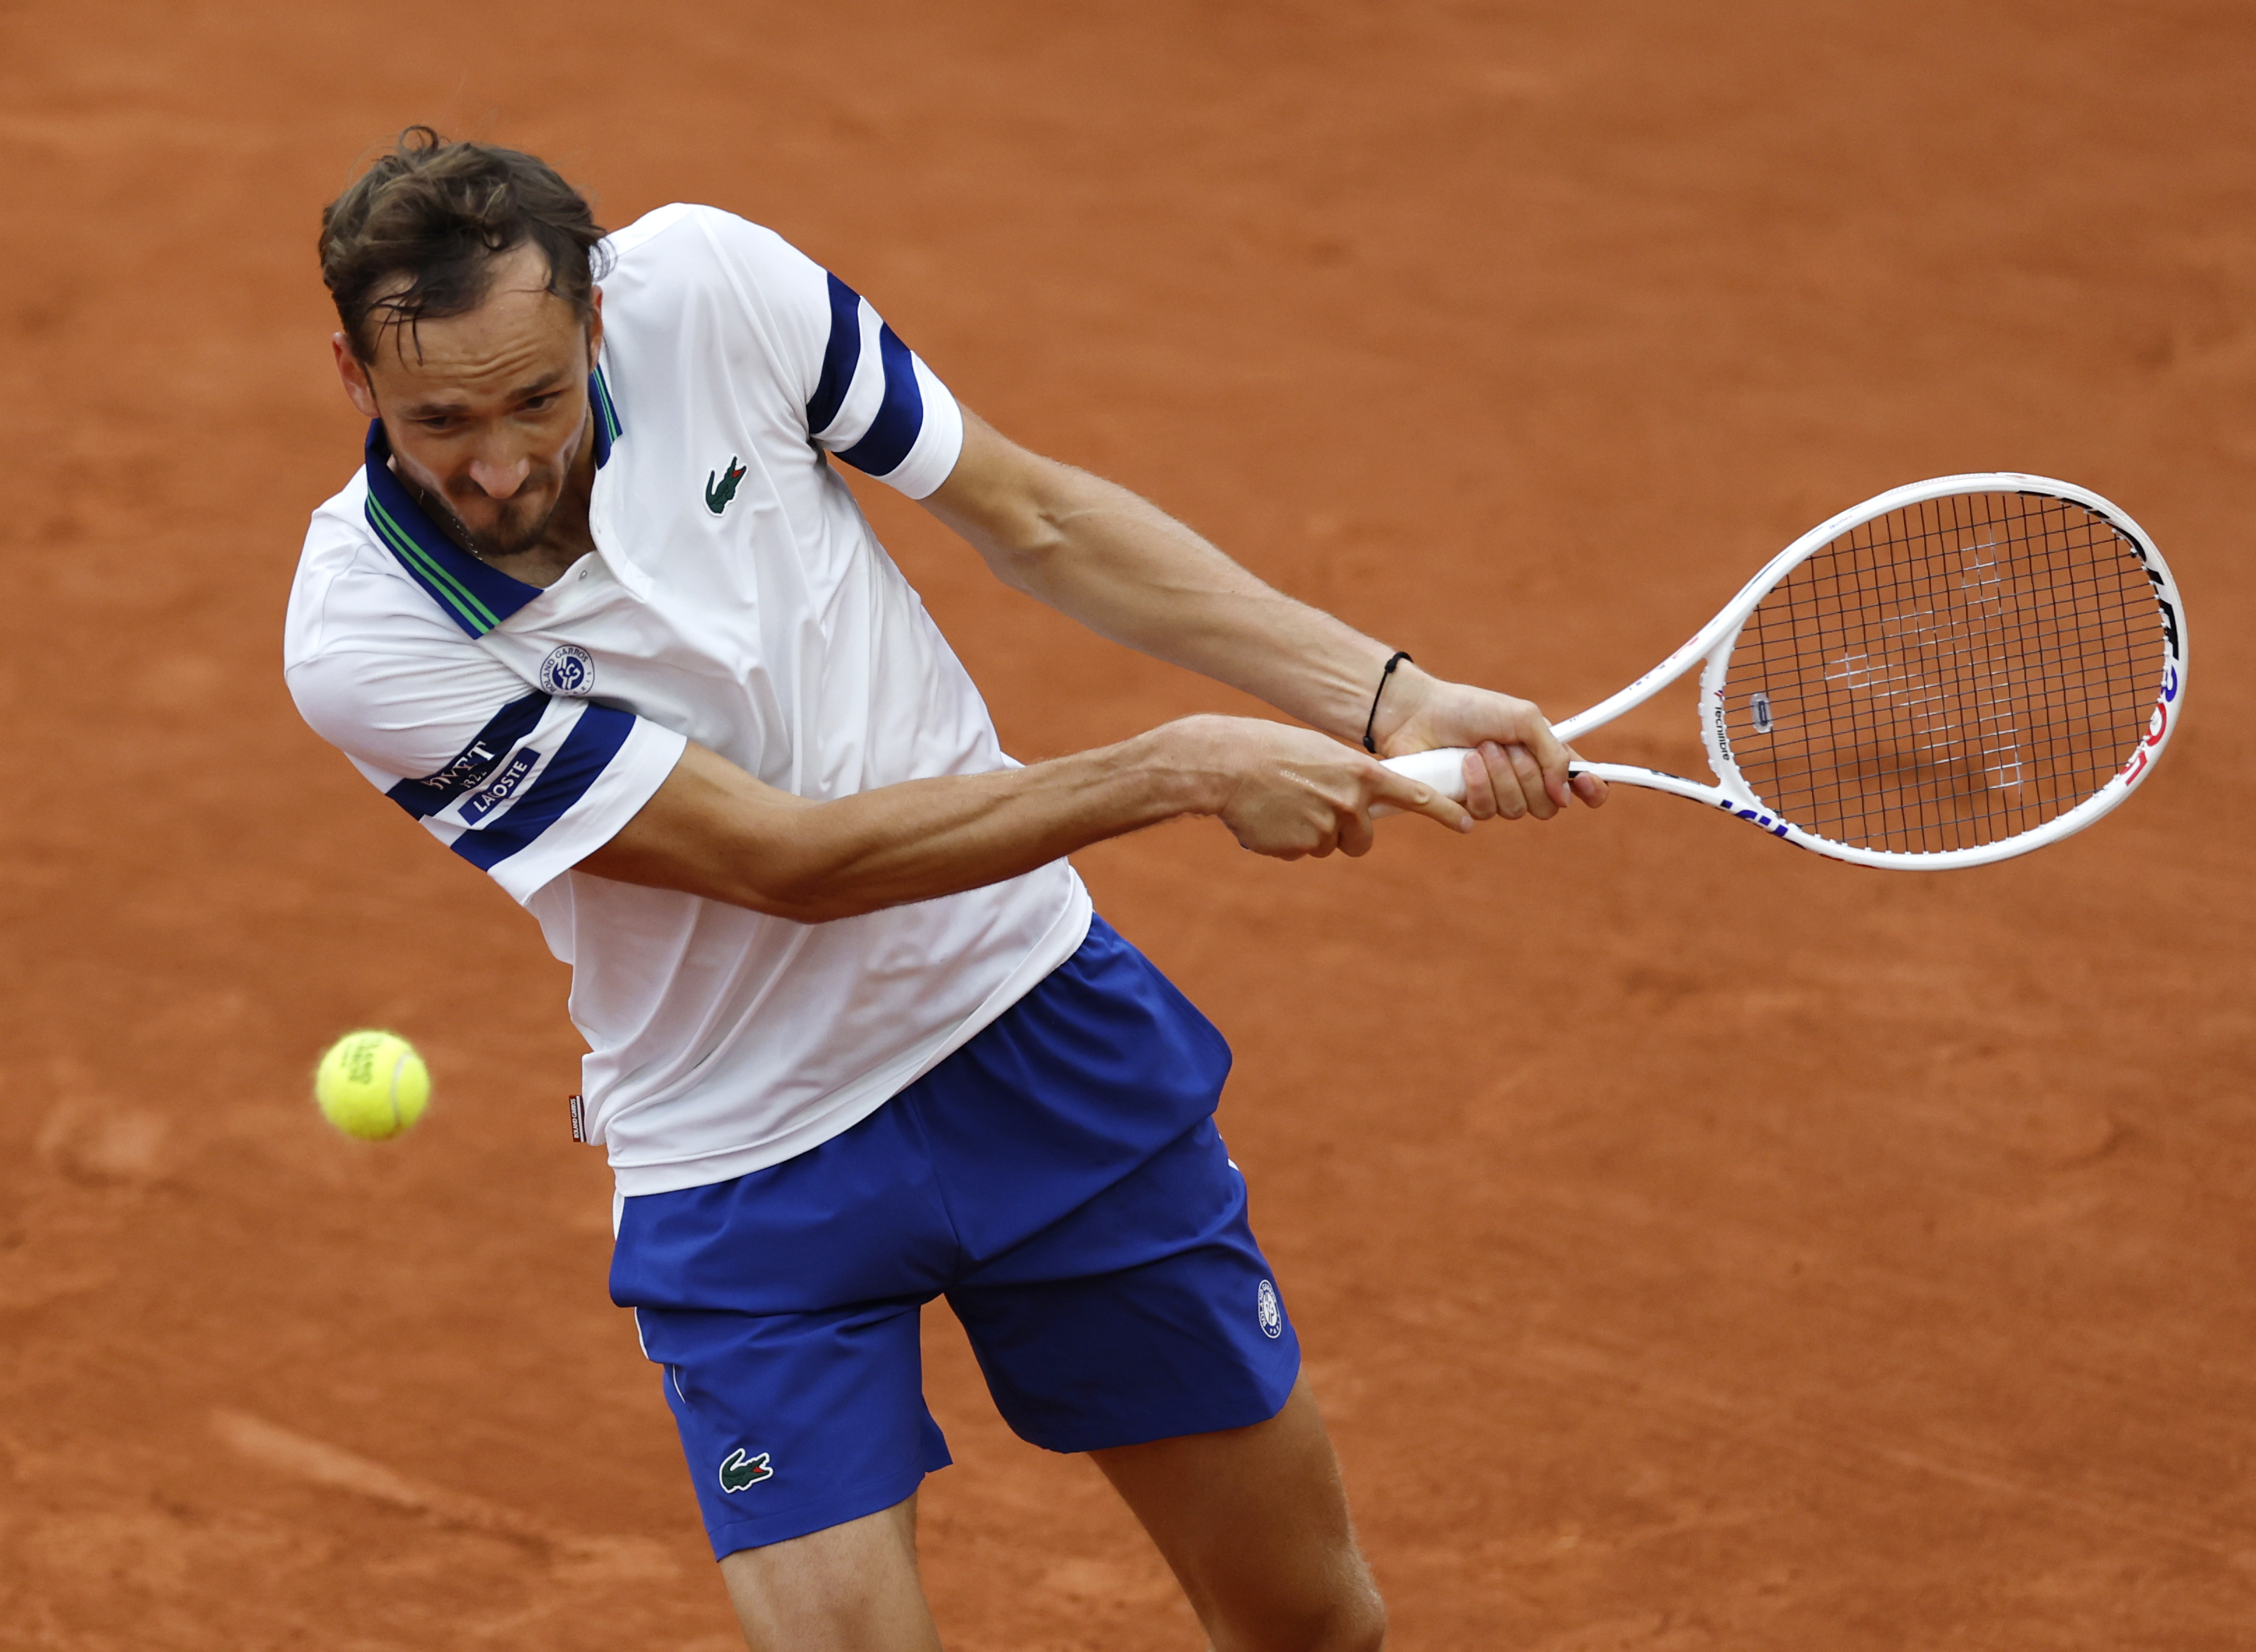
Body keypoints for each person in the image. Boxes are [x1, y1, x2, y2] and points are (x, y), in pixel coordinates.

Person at [284, 128, 1602, 1652]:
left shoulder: (712, 285)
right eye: (441, 418)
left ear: (597, 317)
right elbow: (786, 861)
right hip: (746, 1157)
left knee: (1311, 1624)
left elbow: (1032, 515)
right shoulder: (365, 640)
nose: (499, 462)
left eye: (534, 397)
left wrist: (1383, 695)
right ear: (351, 374)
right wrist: (1171, 770)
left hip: (1030, 1035)